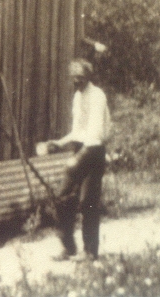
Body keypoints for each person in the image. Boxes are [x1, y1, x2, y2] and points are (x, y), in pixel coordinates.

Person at [45, 58, 111, 261]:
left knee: (87, 202)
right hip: (80, 148)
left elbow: (95, 134)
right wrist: (60, 142)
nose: (76, 83)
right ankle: (69, 247)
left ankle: (90, 251)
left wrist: (75, 161)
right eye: (74, 79)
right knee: (61, 197)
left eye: (80, 79)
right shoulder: (77, 97)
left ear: (88, 77)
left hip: (94, 150)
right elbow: (77, 131)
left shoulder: (97, 96)